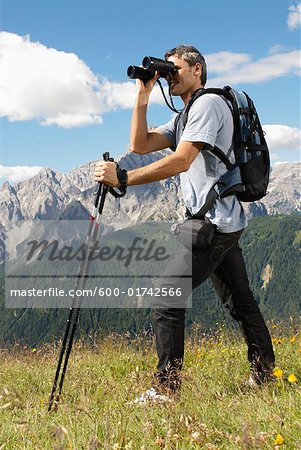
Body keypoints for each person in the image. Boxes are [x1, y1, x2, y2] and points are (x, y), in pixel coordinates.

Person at [94, 44, 275, 400]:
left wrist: (125, 179)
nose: (170, 76)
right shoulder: (186, 114)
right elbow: (140, 143)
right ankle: (265, 372)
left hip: (213, 225)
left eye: (175, 69)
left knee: (165, 299)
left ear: (197, 70)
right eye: (167, 70)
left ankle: (166, 390)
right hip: (222, 221)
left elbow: (180, 160)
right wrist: (143, 94)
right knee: (241, 302)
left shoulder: (207, 104)